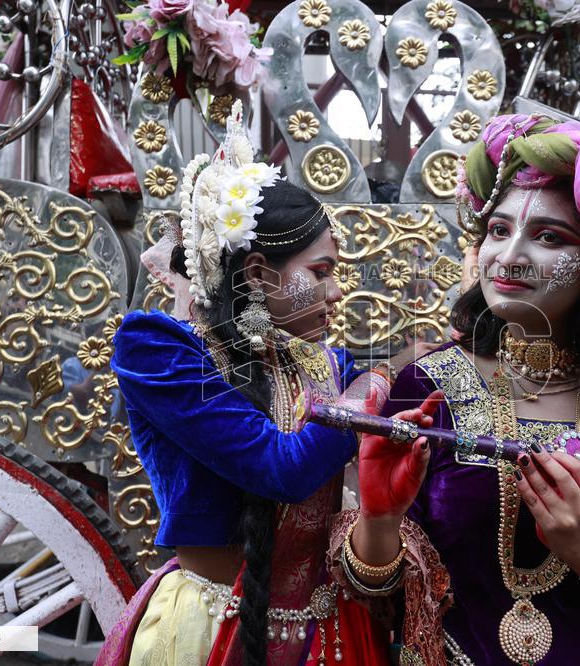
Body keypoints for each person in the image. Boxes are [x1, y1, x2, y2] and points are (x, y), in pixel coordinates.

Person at [327, 114, 580, 665]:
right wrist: (379, 521)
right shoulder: (427, 387)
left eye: (549, 237)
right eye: (499, 231)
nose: (508, 258)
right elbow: (374, 600)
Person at [96, 103, 435, 666]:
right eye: (320, 272)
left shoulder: (330, 365)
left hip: (331, 630)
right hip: (207, 628)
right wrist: (385, 372)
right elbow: (283, 469)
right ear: (256, 273)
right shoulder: (156, 349)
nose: (334, 294)